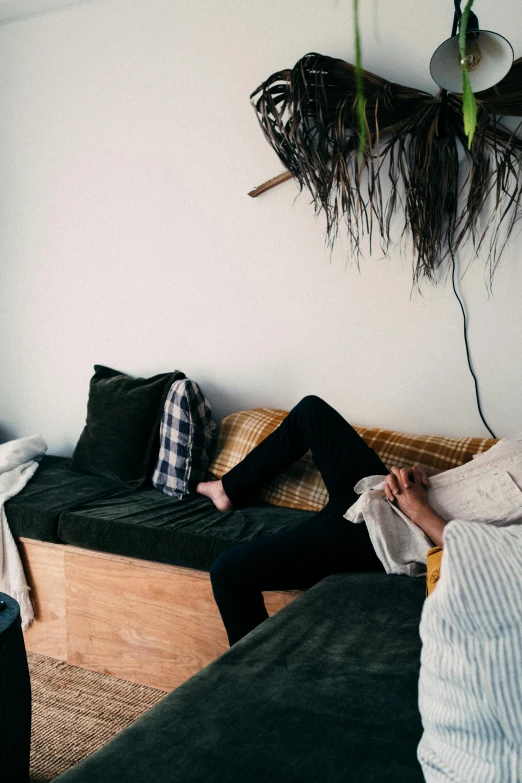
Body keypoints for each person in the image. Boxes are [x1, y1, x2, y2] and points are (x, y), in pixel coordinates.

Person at [197, 395, 449, 646]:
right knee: (311, 411)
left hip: (385, 531)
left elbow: (474, 555)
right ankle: (226, 489)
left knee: (228, 571)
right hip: (383, 491)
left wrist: (417, 508)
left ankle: (254, 680)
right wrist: (422, 475)